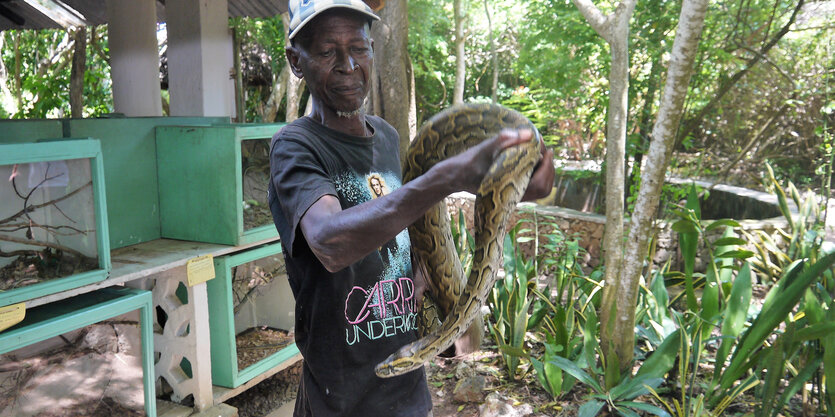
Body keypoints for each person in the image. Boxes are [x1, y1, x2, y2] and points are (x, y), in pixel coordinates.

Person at [268, 1, 555, 416]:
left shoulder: (385, 136)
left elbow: (404, 222)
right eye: (329, 51)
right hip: (341, 398)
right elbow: (329, 241)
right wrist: (445, 178)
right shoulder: (295, 146)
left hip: (408, 388)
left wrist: (521, 186)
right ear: (297, 61)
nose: (348, 64)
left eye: (360, 48)